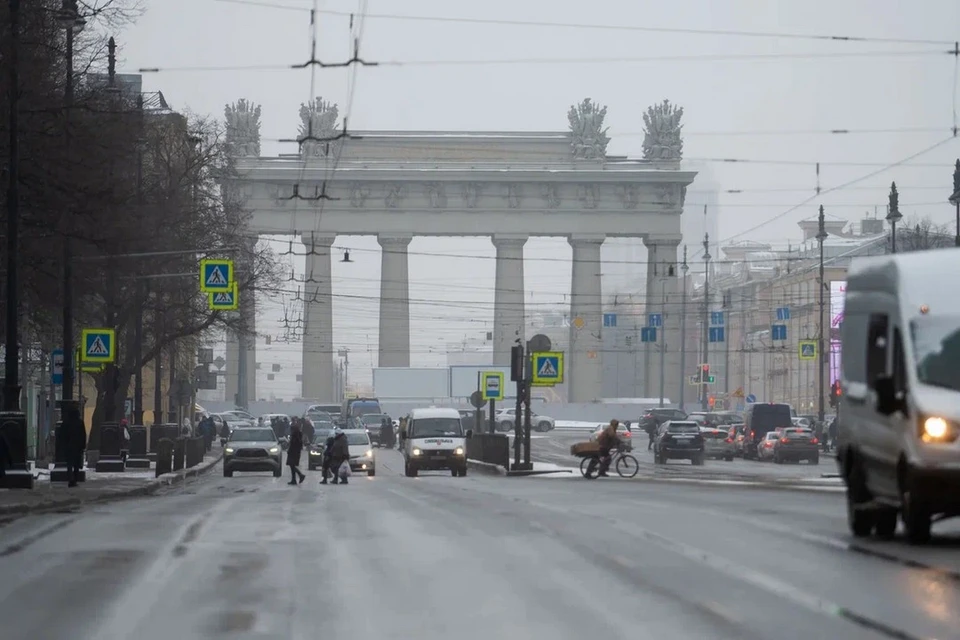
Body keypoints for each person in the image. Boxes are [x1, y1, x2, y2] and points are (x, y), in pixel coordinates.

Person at [62, 405, 88, 487]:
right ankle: (75, 479)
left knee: (69, 464)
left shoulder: (66, 422)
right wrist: (83, 445)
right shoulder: (80, 422)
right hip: (78, 446)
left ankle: (70, 479)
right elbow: (83, 434)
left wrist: (64, 445)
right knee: (76, 464)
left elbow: (62, 435)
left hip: (69, 446)